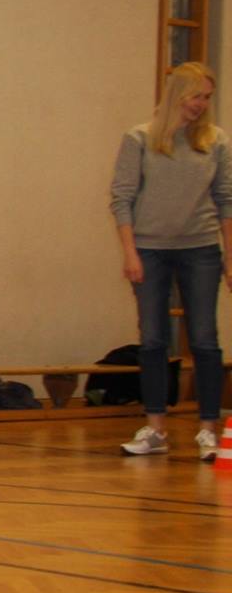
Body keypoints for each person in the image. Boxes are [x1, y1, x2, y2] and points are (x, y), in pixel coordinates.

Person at [109, 60, 232, 460]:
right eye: (196, 96)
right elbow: (122, 198)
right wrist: (130, 252)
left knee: (204, 338)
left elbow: (226, 201)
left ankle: (208, 429)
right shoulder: (139, 139)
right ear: (177, 94)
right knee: (152, 339)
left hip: (201, 249)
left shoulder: (216, 141)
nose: (201, 104)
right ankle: (156, 428)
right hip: (149, 250)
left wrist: (230, 256)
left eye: (207, 98)